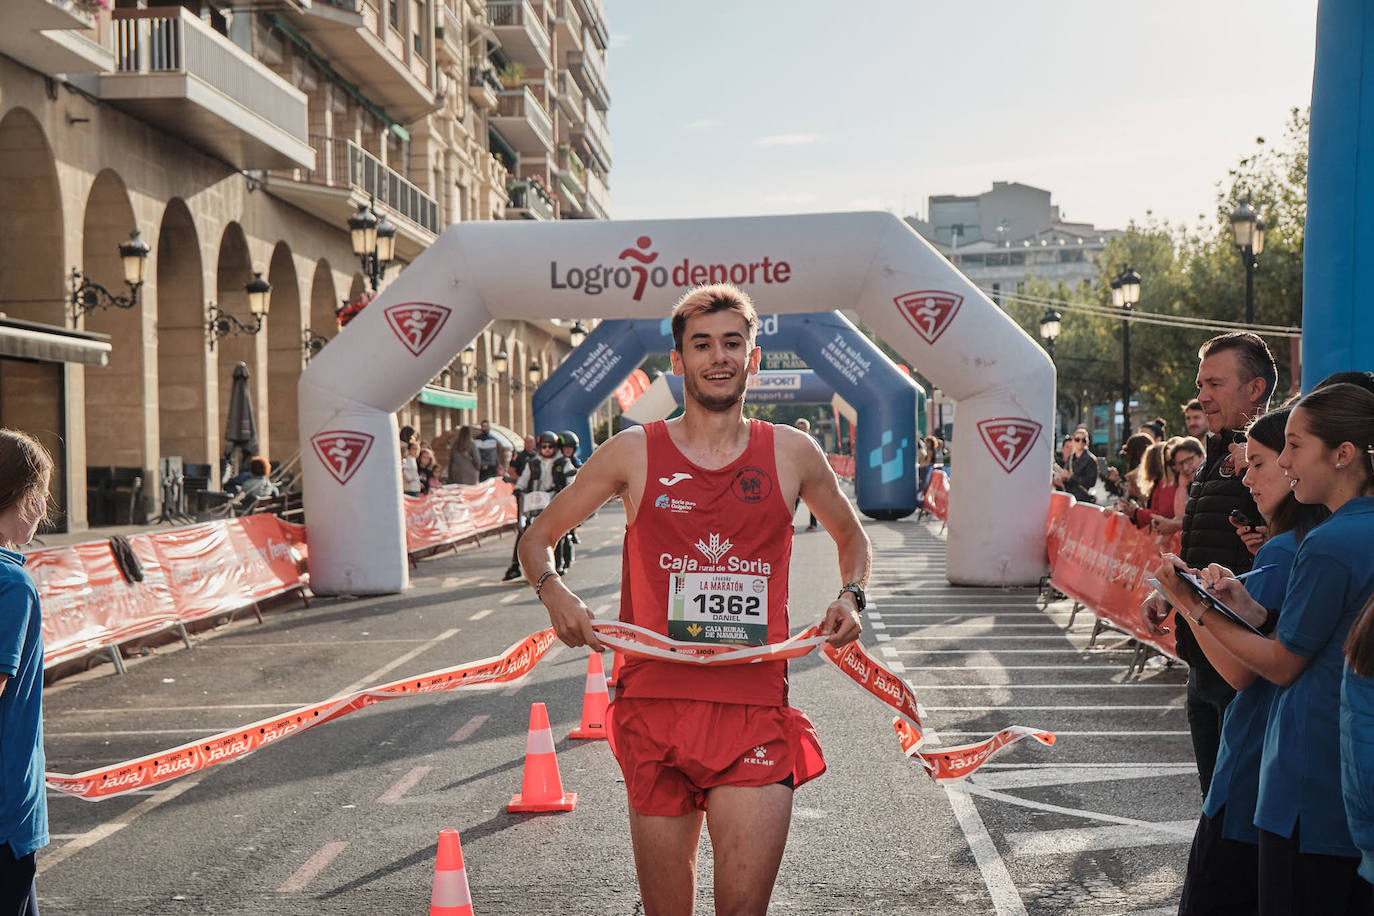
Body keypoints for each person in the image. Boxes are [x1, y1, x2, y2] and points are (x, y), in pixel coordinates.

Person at [517, 284, 868, 915]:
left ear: (753, 357)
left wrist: (851, 595)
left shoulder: (791, 453)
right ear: (676, 362)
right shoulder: (633, 452)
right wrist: (554, 592)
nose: (718, 357)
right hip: (652, 707)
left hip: (752, 710)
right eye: (701, 345)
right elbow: (537, 538)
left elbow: (852, 538)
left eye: (732, 343)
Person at [1152, 383, 1374, 914]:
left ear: (1343, 454)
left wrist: (1192, 603)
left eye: (1291, 447)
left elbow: (1277, 664)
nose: (1282, 464)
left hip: (1305, 782)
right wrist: (1249, 611)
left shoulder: (1325, 542)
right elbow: (1314, 637)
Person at [1172, 408, 1327, 915]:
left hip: (1261, 775)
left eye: (1263, 459)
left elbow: (1248, 670)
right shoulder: (1304, 542)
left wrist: (1187, 598)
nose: (1248, 473)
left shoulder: (1304, 546)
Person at [1142, 332, 1274, 797]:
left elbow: (1285, 554)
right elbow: (1205, 548)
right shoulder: (1213, 454)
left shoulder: (1271, 462)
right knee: (1215, 805)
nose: (1201, 395)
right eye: (1202, 384)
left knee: (1238, 816)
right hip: (1201, 653)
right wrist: (1169, 592)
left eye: (1215, 383)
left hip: (1244, 662)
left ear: (1254, 389)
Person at [0, 429, 52, 916]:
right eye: (41, 495)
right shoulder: (12, 583)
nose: (43, 510)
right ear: (18, 495)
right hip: (6, 813)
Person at [502, 431, 578, 581]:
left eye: (550, 446)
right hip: (535, 502)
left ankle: (557, 565)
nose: (547, 449)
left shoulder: (563, 462)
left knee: (555, 533)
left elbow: (571, 479)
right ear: (539, 447)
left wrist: (564, 490)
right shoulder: (533, 463)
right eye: (544, 446)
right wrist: (518, 489)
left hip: (555, 502)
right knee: (524, 533)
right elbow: (524, 478)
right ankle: (515, 566)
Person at [1148, 436, 1204, 539]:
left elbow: (1206, 518)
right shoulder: (1184, 485)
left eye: (1189, 460)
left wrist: (1173, 525)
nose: (1185, 468)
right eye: (1180, 464)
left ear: (1202, 455)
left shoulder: (1211, 481)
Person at [1053, 427, 1099, 502]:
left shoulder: (1091, 460)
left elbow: (1091, 482)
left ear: (1087, 442)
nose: (1080, 442)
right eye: (1077, 439)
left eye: (1083, 440)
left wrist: (1071, 477)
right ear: (1073, 441)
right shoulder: (1070, 458)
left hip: (1083, 498)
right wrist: (1062, 477)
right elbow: (1066, 475)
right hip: (1069, 497)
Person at [793, 418, 819, 531]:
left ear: (808, 431)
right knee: (792, 501)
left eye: (803, 429)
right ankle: (786, 524)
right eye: (798, 429)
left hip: (810, 476)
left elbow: (821, 460)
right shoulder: (789, 442)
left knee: (813, 502)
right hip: (795, 476)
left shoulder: (814, 443)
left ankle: (813, 524)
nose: (801, 431)